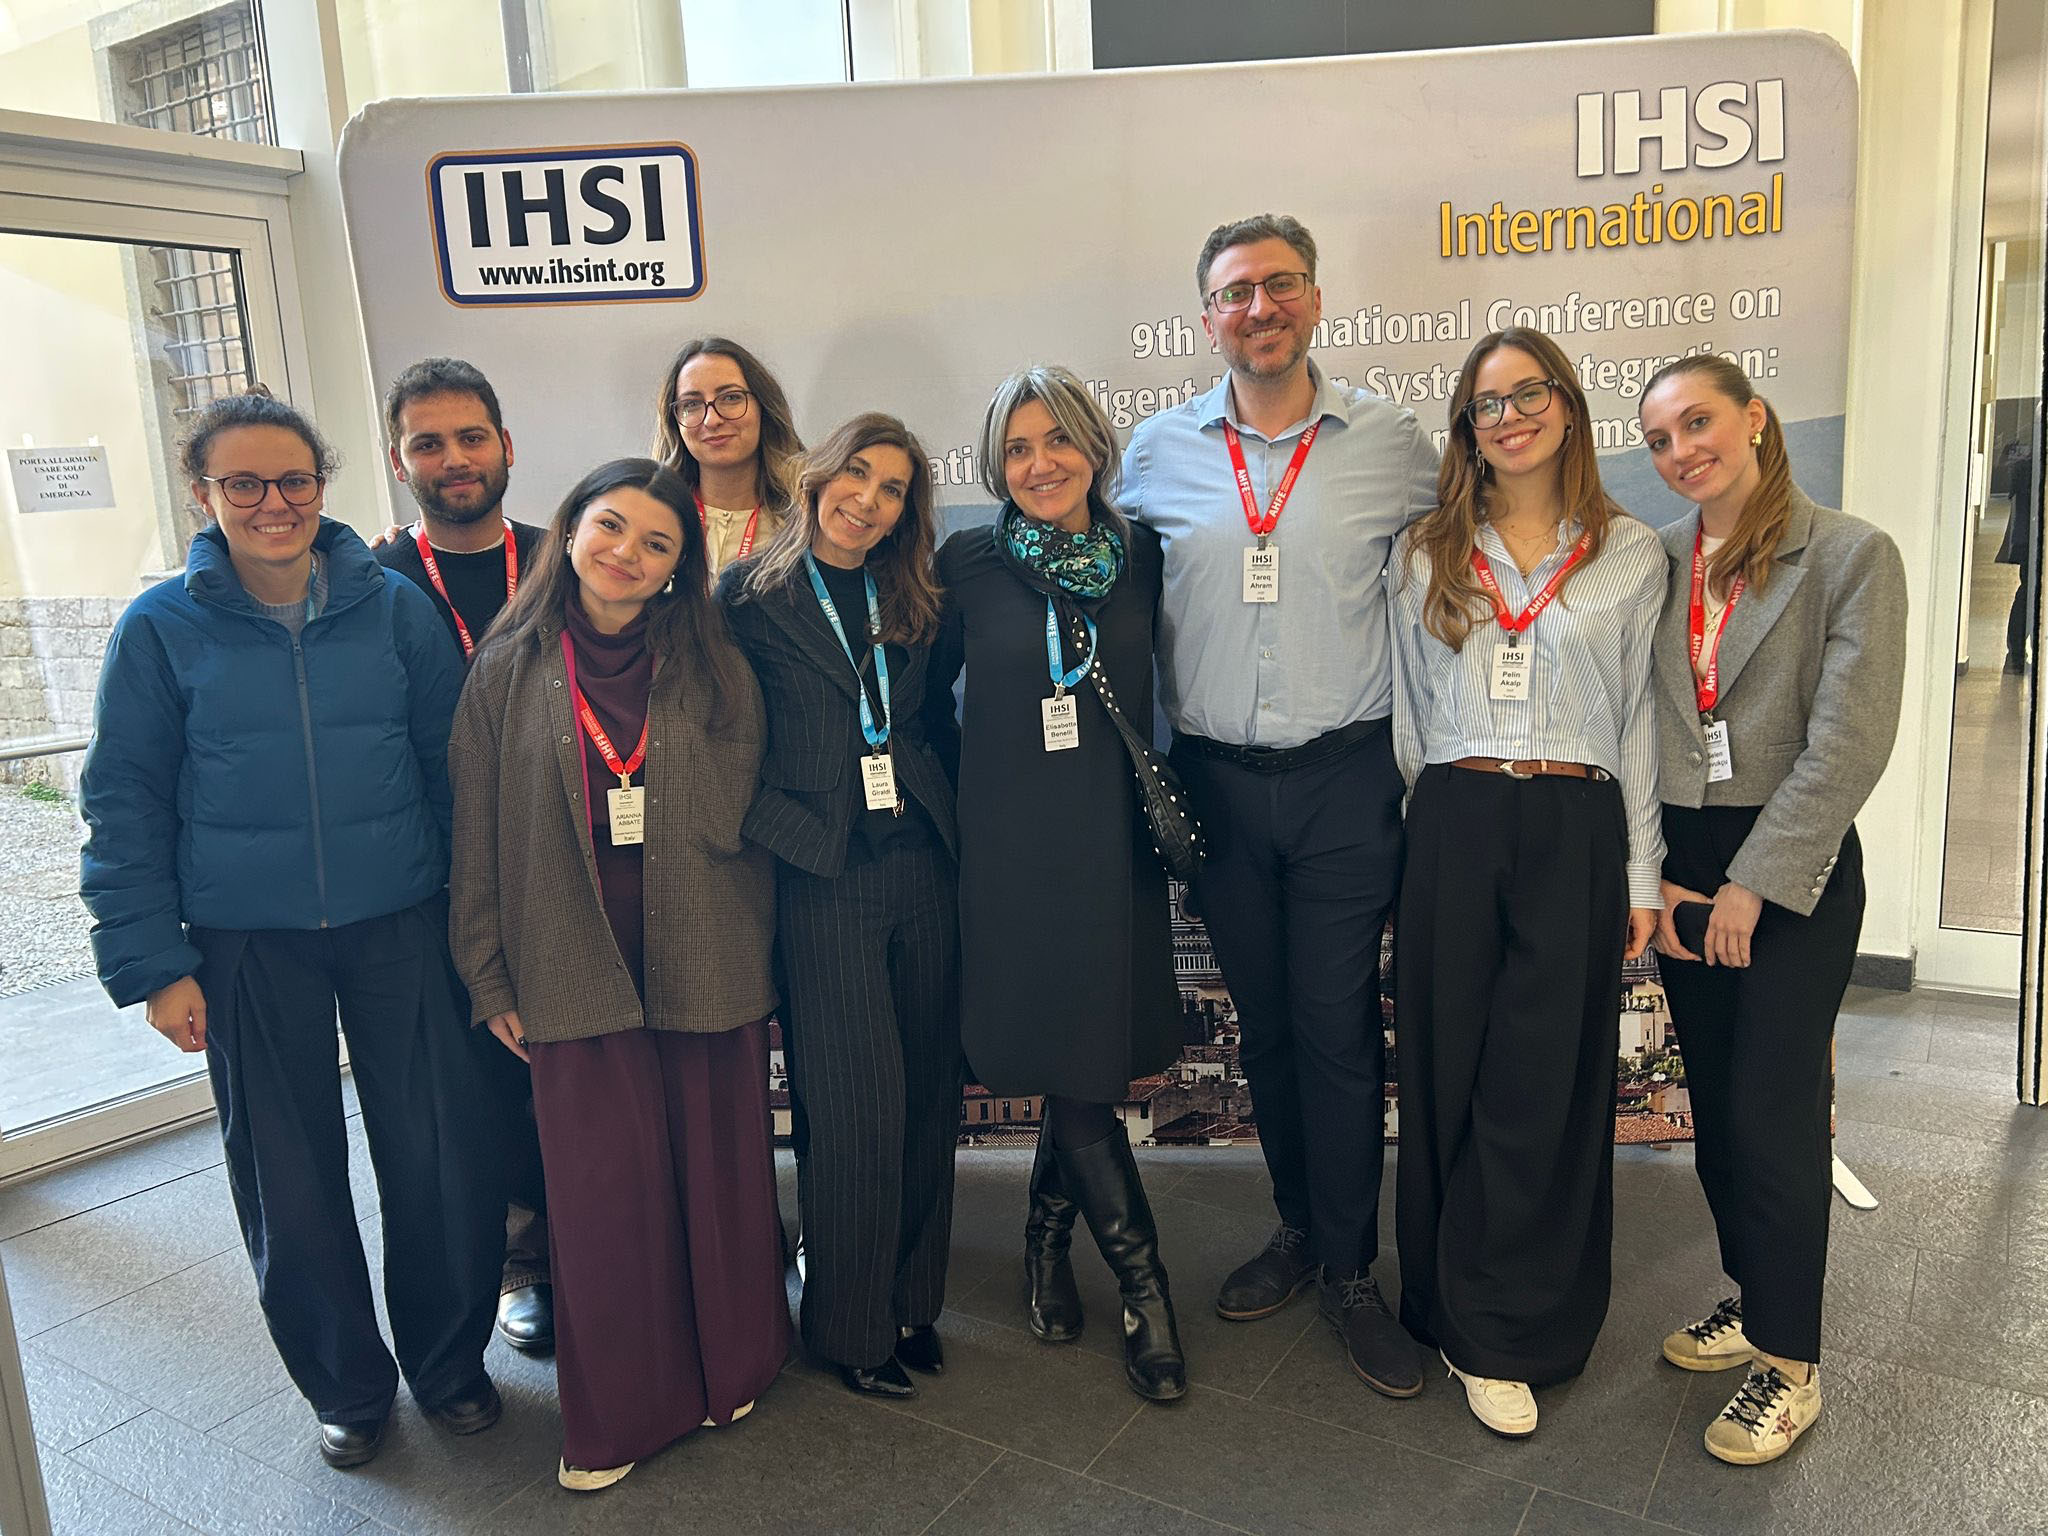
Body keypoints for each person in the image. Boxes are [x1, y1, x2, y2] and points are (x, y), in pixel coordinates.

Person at [79, 389, 503, 1471]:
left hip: (401, 921)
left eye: (295, 480)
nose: (274, 503)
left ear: (324, 484)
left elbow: (455, 779)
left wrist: (477, 930)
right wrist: (154, 965)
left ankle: (449, 1365)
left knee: (438, 1154)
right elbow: (124, 803)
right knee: (287, 1177)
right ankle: (347, 1386)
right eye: (244, 483)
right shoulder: (157, 629)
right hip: (245, 940)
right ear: (203, 494)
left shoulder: (395, 610)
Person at [1120, 213, 1438, 1398]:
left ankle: (1350, 1272)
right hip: (1213, 784)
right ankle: (1298, 1228)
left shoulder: (1391, 444)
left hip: (1346, 781)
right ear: (1207, 316)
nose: (1259, 308)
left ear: (1314, 298)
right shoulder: (1154, 453)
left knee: (1335, 1025)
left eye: (1280, 284)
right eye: (1235, 291)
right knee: (1263, 1028)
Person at [448, 458, 787, 1491]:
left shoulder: (714, 664)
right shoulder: (505, 666)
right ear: (571, 529)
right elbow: (475, 833)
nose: (627, 555)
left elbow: (745, 816)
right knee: (602, 1194)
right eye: (610, 527)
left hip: (703, 946)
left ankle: (735, 1367)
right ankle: (622, 1416)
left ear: (680, 567)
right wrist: (488, 975)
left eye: (656, 543)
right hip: (565, 953)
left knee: (719, 1176)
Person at [1388, 329, 1664, 1437]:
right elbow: (1411, 713)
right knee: (1447, 1065)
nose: (1508, 418)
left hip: (1573, 820)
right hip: (1455, 817)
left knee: (1543, 1080)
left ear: (1566, 406)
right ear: (1465, 428)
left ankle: (1512, 1325)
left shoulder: (1630, 553)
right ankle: (1447, 1306)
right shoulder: (1426, 551)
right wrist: (1434, 828)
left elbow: (1638, 723)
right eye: (1485, 404)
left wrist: (1641, 871)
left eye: (1527, 394)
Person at [1639, 355, 1907, 1466]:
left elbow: (1849, 739)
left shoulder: (1848, 554)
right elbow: (1637, 718)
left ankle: (1790, 1363)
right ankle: (1754, 1298)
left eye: (1697, 422)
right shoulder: (1655, 559)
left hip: (1789, 867)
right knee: (1714, 1101)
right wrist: (1655, 871)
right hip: (1682, 862)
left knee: (1775, 1110)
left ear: (1753, 419)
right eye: (1658, 438)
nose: (1680, 451)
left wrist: (1752, 882)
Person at [932, 365, 1187, 1401]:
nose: (1040, 464)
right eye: (1017, 448)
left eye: (1057, 440)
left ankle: (1044, 1241)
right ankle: (1145, 1289)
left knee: (1081, 1052)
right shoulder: (966, 561)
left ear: (1094, 447)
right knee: (1061, 1048)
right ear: (996, 465)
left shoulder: (1143, 557)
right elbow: (918, 699)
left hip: (1110, 845)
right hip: (1007, 852)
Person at [718, 413, 961, 1400]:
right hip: (823, 875)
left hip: (923, 861)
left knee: (928, 1097)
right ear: (818, 476)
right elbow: (719, 737)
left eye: (892, 488)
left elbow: (929, 721)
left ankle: (912, 1303)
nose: (868, 499)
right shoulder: (748, 596)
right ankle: (851, 1329)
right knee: (857, 1106)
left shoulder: (915, 597)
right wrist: (779, 827)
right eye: (856, 473)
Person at [376, 356, 553, 1356]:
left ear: (506, 445)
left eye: (471, 437)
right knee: (483, 1086)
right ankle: (523, 1265)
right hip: (444, 873)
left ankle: (601, 1243)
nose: (454, 458)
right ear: (399, 460)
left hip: (573, 859)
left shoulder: (565, 558)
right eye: (428, 443)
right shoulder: (371, 581)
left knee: (576, 1070)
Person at [652, 335, 804, 576]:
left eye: (731, 398)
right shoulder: (653, 516)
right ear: (675, 422)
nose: (712, 420)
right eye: (691, 404)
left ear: (763, 407)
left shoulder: (806, 520)